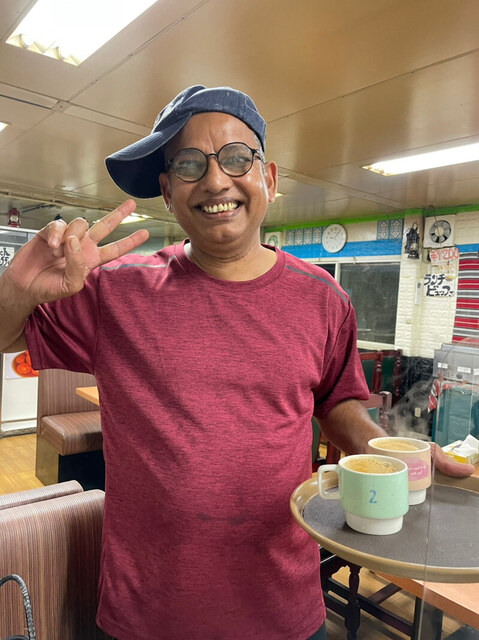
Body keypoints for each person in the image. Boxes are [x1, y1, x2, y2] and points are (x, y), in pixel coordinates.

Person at [0, 85, 473, 640]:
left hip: (282, 607)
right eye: (188, 163)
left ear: (268, 178)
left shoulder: (325, 298)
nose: (215, 180)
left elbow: (337, 402)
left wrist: (389, 454)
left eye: (235, 158)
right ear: (167, 191)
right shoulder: (113, 291)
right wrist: (15, 292)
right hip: (146, 613)